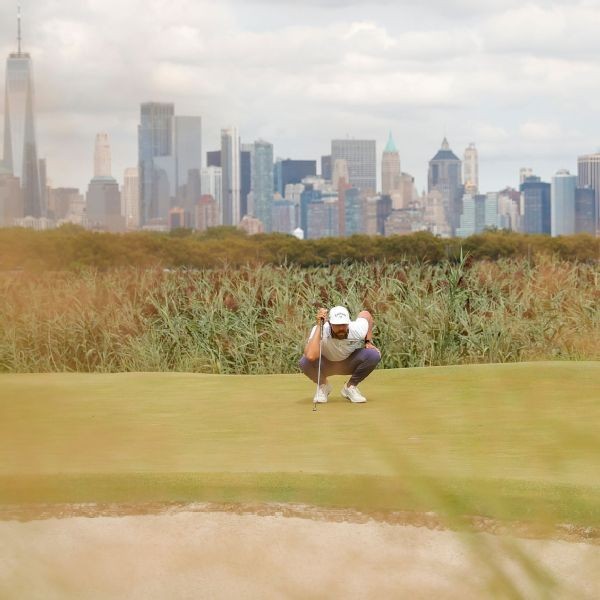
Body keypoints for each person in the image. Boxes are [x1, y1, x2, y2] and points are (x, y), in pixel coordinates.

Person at [299, 305, 381, 403]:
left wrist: (368, 341)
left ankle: (350, 387)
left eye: (344, 324)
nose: (341, 328)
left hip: (349, 363)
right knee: (304, 361)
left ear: (348, 323)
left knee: (374, 355)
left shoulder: (357, 329)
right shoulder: (321, 330)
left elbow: (366, 314)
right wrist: (319, 326)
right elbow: (311, 356)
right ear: (330, 323)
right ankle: (324, 386)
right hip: (326, 365)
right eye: (337, 325)